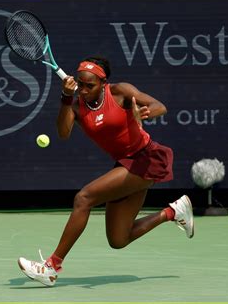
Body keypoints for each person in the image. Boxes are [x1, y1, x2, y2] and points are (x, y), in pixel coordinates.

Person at [18, 56, 194, 286]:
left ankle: (51, 267)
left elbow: (159, 106)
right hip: (125, 165)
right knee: (119, 239)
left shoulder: (120, 91)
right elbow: (63, 132)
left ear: (103, 83)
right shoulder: (76, 105)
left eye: (89, 86)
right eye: (80, 84)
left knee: (84, 198)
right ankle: (173, 212)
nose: (83, 90)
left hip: (147, 159)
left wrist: (147, 111)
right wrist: (65, 97)